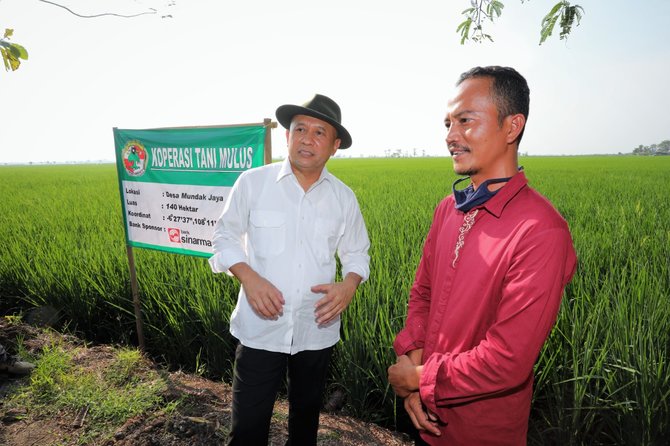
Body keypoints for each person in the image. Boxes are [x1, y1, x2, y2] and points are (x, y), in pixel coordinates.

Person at [387, 66, 577, 445]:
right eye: (447, 124)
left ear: (512, 126)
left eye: (465, 121)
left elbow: (508, 359)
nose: (451, 137)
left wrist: (419, 378)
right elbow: (422, 293)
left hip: (483, 432)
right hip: (426, 421)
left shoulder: (540, 230)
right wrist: (413, 370)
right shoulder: (448, 209)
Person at [209, 94, 370, 445]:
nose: (307, 139)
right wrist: (248, 278)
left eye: (319, 132)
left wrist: (349, 285)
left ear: (334, 145)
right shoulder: (253, 183)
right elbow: (224, 236)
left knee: (305, 420)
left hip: (316, 327)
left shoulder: (343, 198)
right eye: (299, 129)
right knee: (248, 427)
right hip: (260, 327)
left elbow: (357, 252)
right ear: (287, 136)